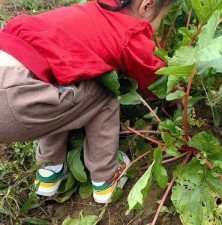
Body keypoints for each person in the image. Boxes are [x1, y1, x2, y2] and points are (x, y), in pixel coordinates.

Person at [0, 0, 174, 203]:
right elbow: (153, 79)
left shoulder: (91, 11)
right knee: (102, 96)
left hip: (10, 70)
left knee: (62, 89)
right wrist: (175, 89)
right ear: (147, 5)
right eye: (161, 20)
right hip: (13, 99)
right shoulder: (130, 31)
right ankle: (106, 179)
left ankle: (49, 172)